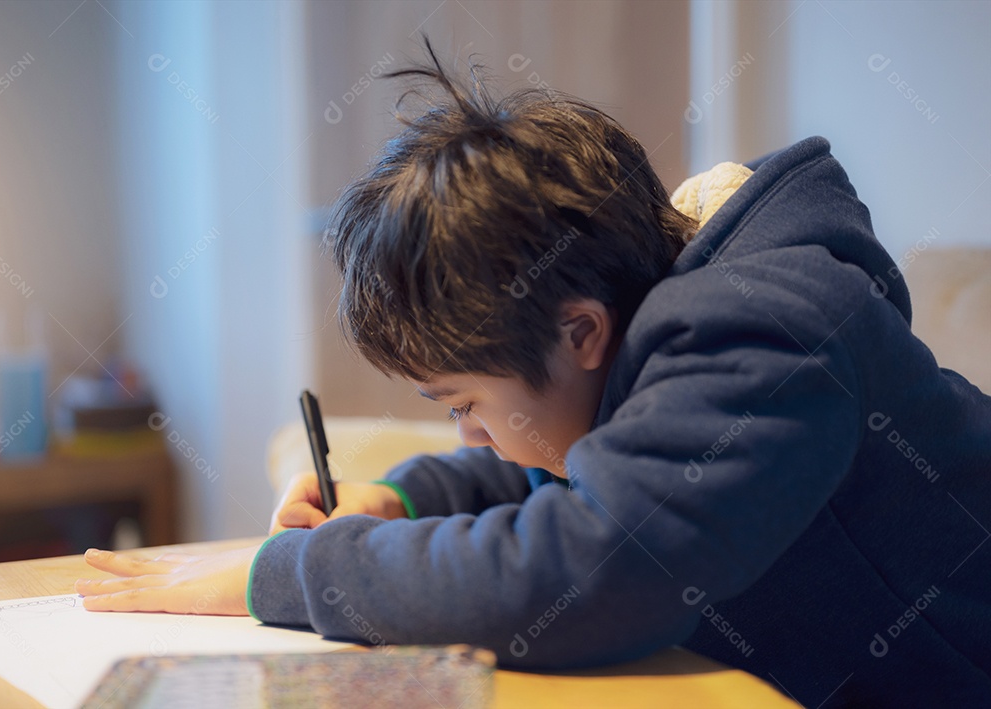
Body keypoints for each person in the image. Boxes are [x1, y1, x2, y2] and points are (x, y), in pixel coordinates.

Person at [77, 38, 991, 705]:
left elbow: (585, 570)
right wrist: (403, 498)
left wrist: (289, 571)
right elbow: (571, 463)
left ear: (581, 331)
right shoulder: (665, 317)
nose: (467, 430)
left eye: (466, 401)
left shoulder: (762, 334)